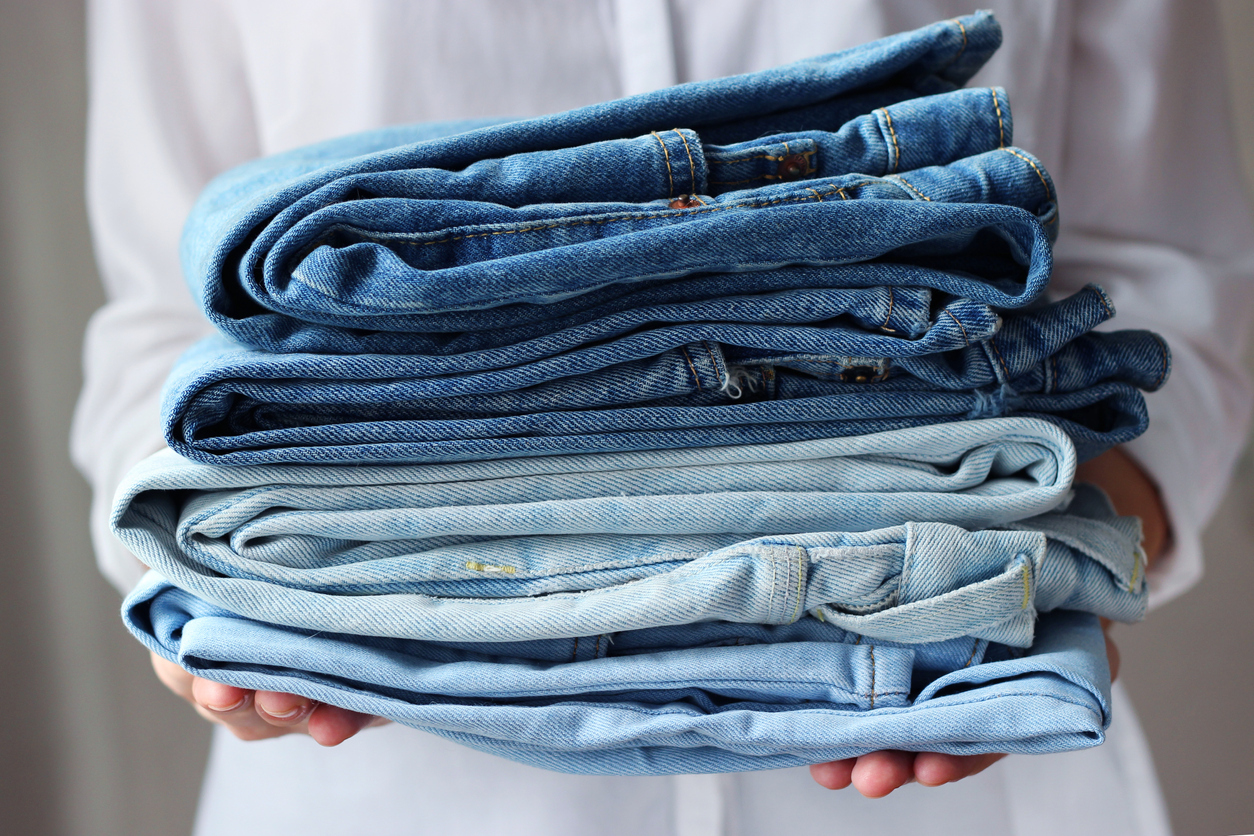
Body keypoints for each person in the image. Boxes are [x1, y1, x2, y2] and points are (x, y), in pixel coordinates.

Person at [73, 1, 1254, 833]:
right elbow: (160, 319)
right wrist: (209, 584)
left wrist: (1062, 565)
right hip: (393, 782)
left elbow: (1172, 279)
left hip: (947, 722)